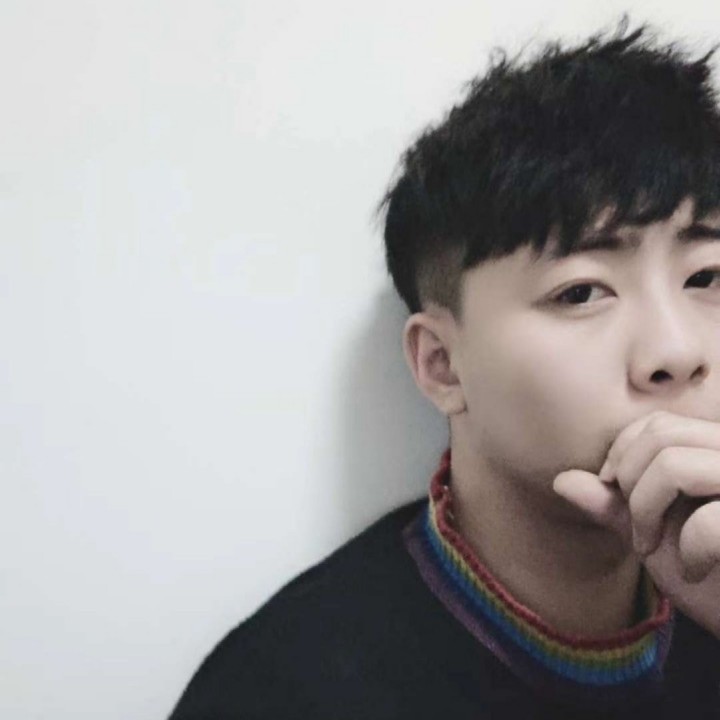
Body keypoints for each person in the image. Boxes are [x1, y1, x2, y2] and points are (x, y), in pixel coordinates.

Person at [167, 20, 720, 719]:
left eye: (706, 277)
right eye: (580, 292)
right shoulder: (285, 688)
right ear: (442, 366)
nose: (677, 350)